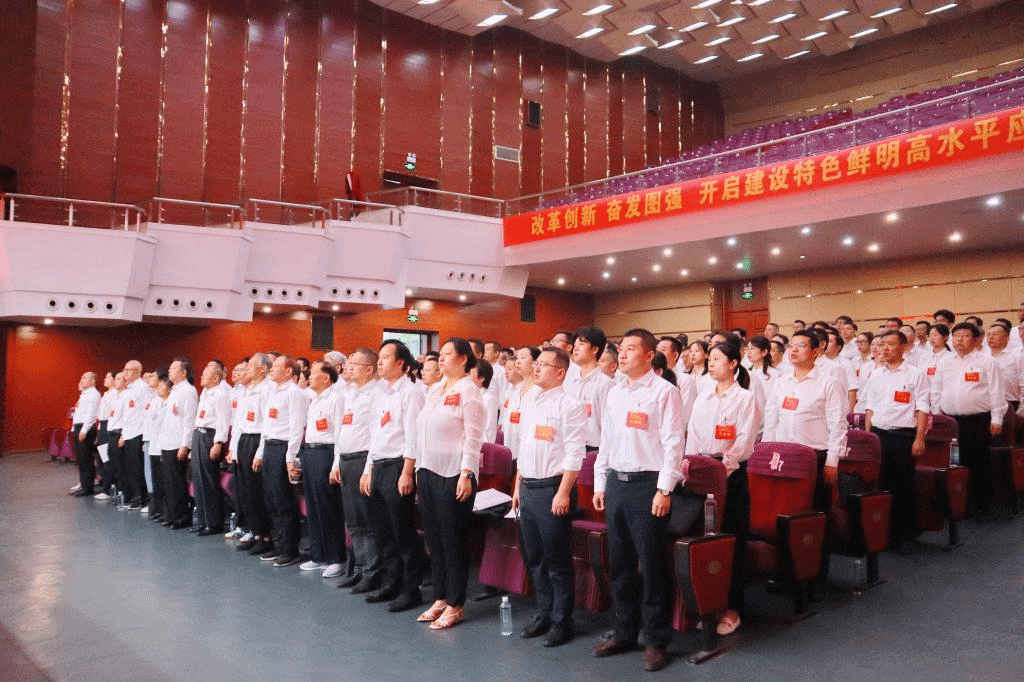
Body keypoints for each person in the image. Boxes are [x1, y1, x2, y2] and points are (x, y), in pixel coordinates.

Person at [592, 328, 684, 672]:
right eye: (621, 348)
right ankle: (625, 631)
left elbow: (674, 444)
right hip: (617, 483)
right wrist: (600, 483)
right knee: (620, 564)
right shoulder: (615, 393)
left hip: (648, 486)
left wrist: (665, 489)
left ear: (648, 355)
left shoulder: (664, 392)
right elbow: (606, 441)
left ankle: (656, 639)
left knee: (652, 564)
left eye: (631, 349)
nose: (623, 354)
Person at [512, 347, 586, 648]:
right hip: (528, 487)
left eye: (544, 364)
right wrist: (517, 487)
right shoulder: (531, 400)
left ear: (560, 372)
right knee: (535, 557)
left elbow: (575, 453)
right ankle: (544, 613)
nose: (537, 368)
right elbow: (523, 447)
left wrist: (564, 492)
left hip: (553, 489)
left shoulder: (570, 405)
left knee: (557, 561)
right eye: (537, 363)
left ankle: (561, 621)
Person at [685, 342, 757, 636]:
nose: (711, 363)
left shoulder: (745, 398)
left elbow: (744, 441)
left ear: (733, 364)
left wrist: (720, 471)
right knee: (705, 543)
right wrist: (694, 468)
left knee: (731, 541)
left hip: (732, 475)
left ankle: (732, 609)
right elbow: (692, 436)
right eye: (710, 359)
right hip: (703, 474)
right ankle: (709, 604)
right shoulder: (702, 398)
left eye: (717, 359)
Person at [413, 338, 485, 630]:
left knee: (452, 540)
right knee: (435, 539)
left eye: (446, 354)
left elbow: (474, 436)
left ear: (463, 358)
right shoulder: (436, 388)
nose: (440, 359)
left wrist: (467, 473)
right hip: (428, 470)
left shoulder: (469, 390)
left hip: (454, 473)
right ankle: (440, 597)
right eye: (439, 354)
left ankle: (456, 604)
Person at [360, 340, 426, 612]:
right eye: (379, 356)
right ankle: (391, 582)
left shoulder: (411, 392)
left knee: (403, 531)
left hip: (399, 466)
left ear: (401, 363)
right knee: (384, 531)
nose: (379, 361)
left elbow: (413, 437)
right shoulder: (380, 393)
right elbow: (374, 435)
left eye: (385, 357)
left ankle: (411, 589)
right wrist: (368, 469)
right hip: (379, 465)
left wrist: (407, 472)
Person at [763, 330, 848, 511]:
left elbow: (838, 425)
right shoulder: (781, 382)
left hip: (814, 457)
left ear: (815, 352)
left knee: (813, 511)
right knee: (785, 510)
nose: (793, 350)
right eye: (791, 346)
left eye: (800, 346)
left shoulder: (829, 384)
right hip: (783, 456)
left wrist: (832, 461)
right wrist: (767, 451)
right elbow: (771, 421)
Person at [863, 330, 930, 554]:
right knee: (881, 484)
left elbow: (922, 408)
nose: (885, 348)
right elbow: (869, 408)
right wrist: (868, 438)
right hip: (879, 435)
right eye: (882, 344)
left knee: (902, 485)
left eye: (890, 344)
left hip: (903, 436)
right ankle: (886, 532)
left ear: (902, 347)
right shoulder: (875, 374)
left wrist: (919, 438)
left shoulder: (915, 374)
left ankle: (904, 534)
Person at [931, 323, 1004, 519]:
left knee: (979, 463)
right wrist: (936, 416)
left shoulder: (988, 362)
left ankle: (981, 505)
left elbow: (997, 392)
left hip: (978, 420)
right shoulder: (944, 362)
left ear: (976, 339)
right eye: (956, 336)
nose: (959, 340)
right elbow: (936, 390)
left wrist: (997, 418)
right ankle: (957, 505)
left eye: (965, 336)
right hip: (950, 421)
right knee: (954, 464)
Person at [330, 348, 384, 588]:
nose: (348, 367)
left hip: (363, 460)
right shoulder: (349, 393)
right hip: (346, 459)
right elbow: (342, 432)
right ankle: (359, 569)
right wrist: (336, 462)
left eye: (354, 364)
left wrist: (369, 469)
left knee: (367, 520)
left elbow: (376, 435)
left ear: (369, 369)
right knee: (353, 521)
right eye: (348, 363)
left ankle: (372, 572)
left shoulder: (376, 394)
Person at [255, 355, 308, 567]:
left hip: (283, 448)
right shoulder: (274, 392)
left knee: (283, 499)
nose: (272, 369)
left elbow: (296, 428)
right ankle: (278, 544)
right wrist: (260, 452)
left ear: (288, 372)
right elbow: (266, 426)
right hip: (270, 446)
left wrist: (290, 456)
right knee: (271, 499)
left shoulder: (294, 393)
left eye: (277, 366)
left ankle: (289, 549)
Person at [299, 360, 347, 579]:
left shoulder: (336, 399)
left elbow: (339, 434)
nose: (309, 376)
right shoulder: (315, 399)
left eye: (314, 373)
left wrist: (336, 463)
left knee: (328, 507)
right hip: (310, 452)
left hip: (326, 453)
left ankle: (336, 558)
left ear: (326, 378)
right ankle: (319, 556)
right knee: (313, 505)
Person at [234, 355, 275, 556]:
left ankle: (265, 536)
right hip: (245, 439)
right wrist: (234, 447)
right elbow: (240, 421)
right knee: (245, 492)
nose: (248, 368)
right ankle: (254, 532)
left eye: (252, 365)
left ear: (263, 369)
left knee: (256, 491)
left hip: (257, 440)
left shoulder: (267, 389)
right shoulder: (247, 389)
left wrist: (260, 450)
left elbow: (267, 423)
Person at [157, 358, 199, 529]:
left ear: (183, 373)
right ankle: (172, 514)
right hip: (168, 442)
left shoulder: (188, 391)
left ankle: (182, 516)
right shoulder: (174, 390)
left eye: (174, 368)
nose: (170, 371)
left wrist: (185, 444)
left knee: (177, 482)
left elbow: (189, 420)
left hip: (178, 443)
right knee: (169, 482)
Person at [191, 362, 231, 535]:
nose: (201, 376)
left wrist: (218, 442)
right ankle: (202, 520)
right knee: (198, 480)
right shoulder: (206, 392)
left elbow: (223, 420)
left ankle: (214, 522)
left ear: (215, 378)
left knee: (208, 480)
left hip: (210, 437)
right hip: (199, 434)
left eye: (205, 373)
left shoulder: (220, 394)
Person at [565, 326, 614, 454]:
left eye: (581, 344)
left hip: (593, 448)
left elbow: (608, 425)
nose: (575, 348)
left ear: (595, 349)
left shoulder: (606, 384)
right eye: (575, 344)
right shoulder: (569, 382)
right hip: (569, 444)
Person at [118, 360, 151, 510]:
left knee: (138, 469)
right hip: (129, 433)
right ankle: (135, 496)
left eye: (128, 370)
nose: (125, 372)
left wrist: (145, 436)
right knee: (130, 468)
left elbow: (147, 412)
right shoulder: (129, 389)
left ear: (137, 371)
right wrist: (124, 434)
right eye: (124, 369)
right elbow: (128, 415)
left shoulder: (143, 388)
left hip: (138, 433)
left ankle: (141, 498)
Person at [70, 372, 101, 497]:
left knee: (86, 458)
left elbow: (91, 414)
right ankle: (83, 484)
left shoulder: (93, 394)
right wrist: (74, 428)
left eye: (84, 378)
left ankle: (88, 487)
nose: (81, 380)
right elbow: (78, 413)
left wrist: (84, 430)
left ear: (93, 381)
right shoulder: (84, 394)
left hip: (85, 428)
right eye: (81, 377)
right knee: (81, 459)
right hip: (79, 427)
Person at [470, 359, 499, 443]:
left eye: (471, 373)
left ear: (481, 378)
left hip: (481, 445)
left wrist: (486, 447)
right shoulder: (470, 395)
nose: (468, 377)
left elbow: (489, 428)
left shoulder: (489, 399)